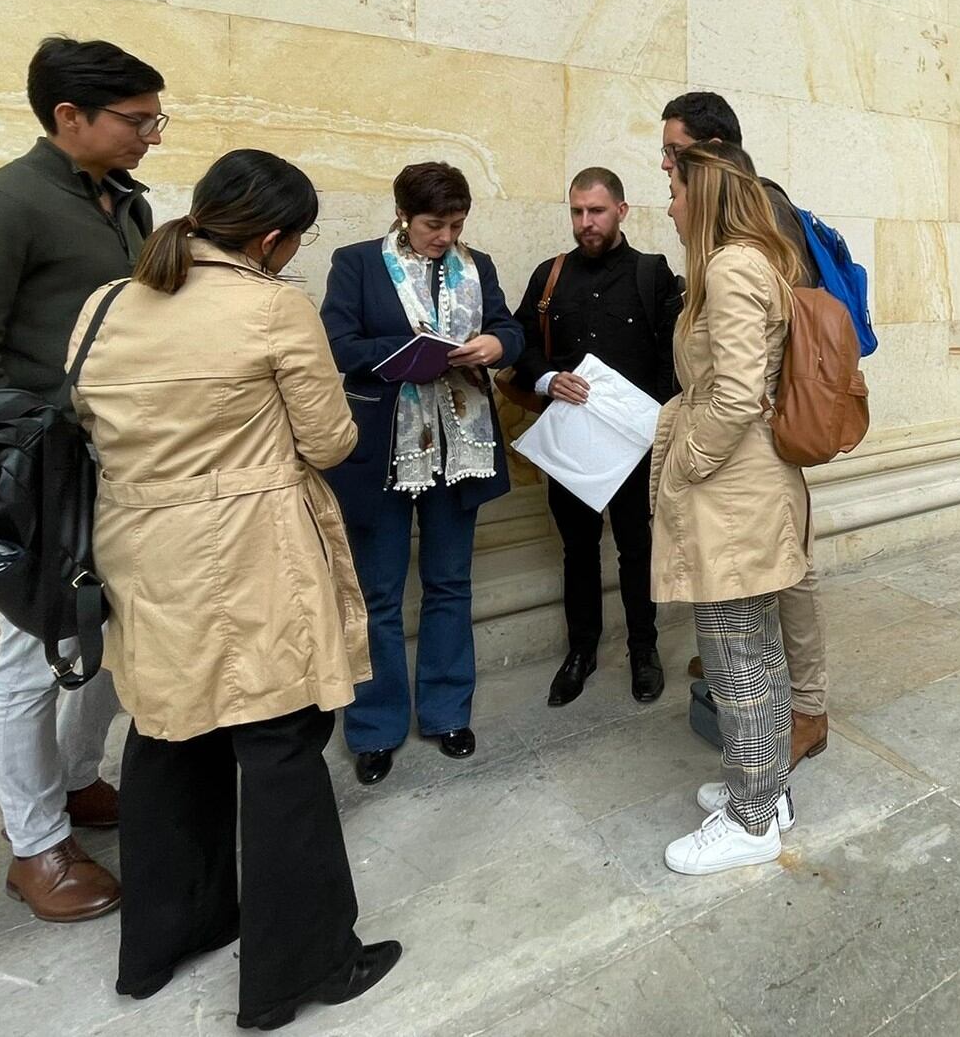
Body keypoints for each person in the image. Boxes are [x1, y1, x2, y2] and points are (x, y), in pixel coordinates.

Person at [70, 149, 400, 1031]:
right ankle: (301, 965)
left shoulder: (104, 305)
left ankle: (160, 943)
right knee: (280, 743)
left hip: (140, 550)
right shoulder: (271, 307)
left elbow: (92, 423)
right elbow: (330, 440)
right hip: (251, 553)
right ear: (272, 236)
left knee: (168, 736)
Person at [0, 36, 165, 923]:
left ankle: (77, 780)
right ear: (70, 118)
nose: (153, 136)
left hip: (120, 468)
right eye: (138, 121)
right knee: (31, 659)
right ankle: (36, 845)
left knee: (103, 635)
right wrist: (38, 460)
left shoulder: (126, 207)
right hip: (42, 482)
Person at [320, 162, 524, 786]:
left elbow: (508, 328)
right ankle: (375, 728)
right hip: (385, 449)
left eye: (457, 224)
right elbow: (336, 342)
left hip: (460, 448)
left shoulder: (477, 264)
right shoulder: (356, 262)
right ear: (403, 214)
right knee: (378, 595)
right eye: (435, 224)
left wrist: (496, 346)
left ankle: (446, 712)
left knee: (449, 584)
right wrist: (405, 355)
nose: (446, 237)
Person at [659, 91, 832, 768]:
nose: (667, 180)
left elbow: (739, 381)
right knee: (766, 600)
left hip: (755, 448)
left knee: (784, 586)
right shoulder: (750, 235)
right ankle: (775, 715)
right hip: (759, 442)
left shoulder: (746, 240)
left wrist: (689, 459)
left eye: (673, 157)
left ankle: (803, 717)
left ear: (706, 159)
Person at [513, 167, 683, 708]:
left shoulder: (652, 275)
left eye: (597, 211)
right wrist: (546, 379)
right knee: (577, 551)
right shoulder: (549, 276)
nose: (585, 223)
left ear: (622, 211)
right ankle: (580, 652)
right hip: (570, 447)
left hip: (635, 448)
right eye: (577, 212)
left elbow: (675, 361)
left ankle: (643, 651)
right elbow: (518, 346)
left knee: (637, 550)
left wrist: (650, 421)